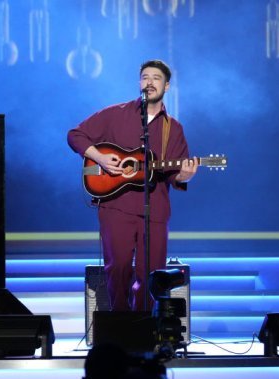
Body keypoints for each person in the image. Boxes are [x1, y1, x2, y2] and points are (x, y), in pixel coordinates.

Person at [68, 60, 199, 311]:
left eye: (156, 78)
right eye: (144, 77)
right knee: (117, 268)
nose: (149, 82)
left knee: (152, 273)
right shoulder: (114, 114)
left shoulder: (174, 128)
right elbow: (75, 135)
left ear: (167, 86)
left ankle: (145, 327)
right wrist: (100, 157)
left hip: (155, 211)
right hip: (116, 206)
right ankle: (120, 324)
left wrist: (185, 176)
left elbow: (175, 174)